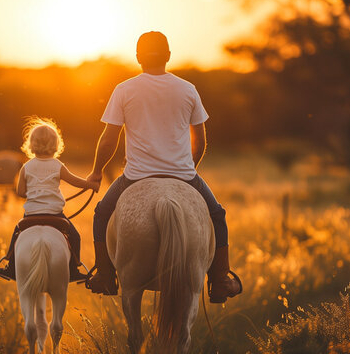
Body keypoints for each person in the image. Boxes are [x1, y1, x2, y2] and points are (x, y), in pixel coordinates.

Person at [85, 31, 243, 303]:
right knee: (217, 215)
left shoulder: (123, 89)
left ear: (138, 58)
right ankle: (219, 281)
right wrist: (186, 171)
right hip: (183, 175)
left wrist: (97, 171)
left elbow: (109, 138)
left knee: (101, 213)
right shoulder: (188, 89)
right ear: (168, 56)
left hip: (135, 177)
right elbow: (200, 139)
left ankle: (105, 276)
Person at [0, 118, 98, 282]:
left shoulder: (26, 167)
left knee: (16, 234)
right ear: (56, 143)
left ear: (31, 143)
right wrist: (91, 184)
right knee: (75, 236)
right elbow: (75, 181)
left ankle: (10, 267)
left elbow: (20, 192)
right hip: (55, 215)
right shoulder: (57, 165)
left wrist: (35, 192)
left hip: (31, 215)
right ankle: (74, 268)